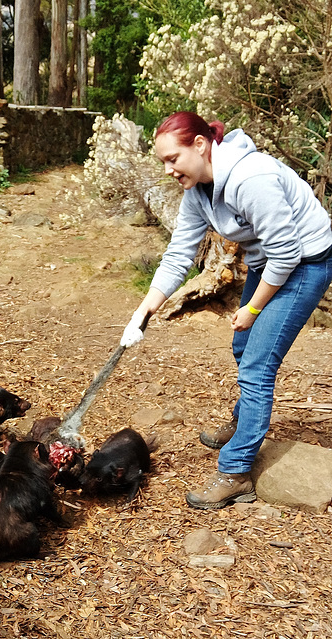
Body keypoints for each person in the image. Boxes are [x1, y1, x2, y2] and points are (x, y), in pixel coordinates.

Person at [121, 111, 332, 510]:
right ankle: (245, 422)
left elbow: (287, 254)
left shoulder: (250, 178)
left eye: (172, 159)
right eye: (162, 162)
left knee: (256, 364)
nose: (167, 169)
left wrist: (252, 307)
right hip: (269, 261)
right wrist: (145, 309)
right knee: (242, 346)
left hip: (304, 263)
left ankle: (235, 472)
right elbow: (179, 253)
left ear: (200, 146)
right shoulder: (198, 191)